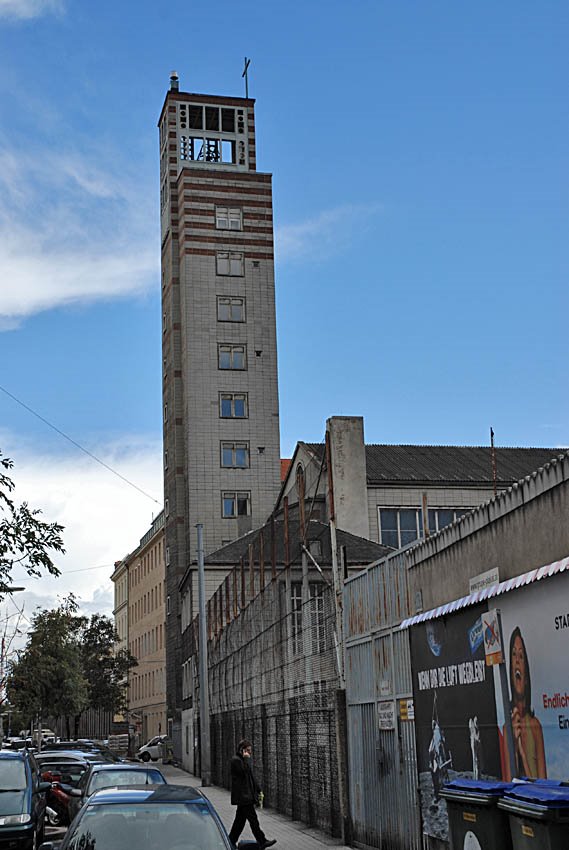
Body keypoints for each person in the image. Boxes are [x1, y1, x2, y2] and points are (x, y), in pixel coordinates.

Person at [501, 626, 546, 780]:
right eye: (514, 655)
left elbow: (543, 786)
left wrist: (522, 753)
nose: (517, 661)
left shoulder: (535, 726)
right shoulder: (508, 728)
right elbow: (508, 783)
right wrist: (513, 746)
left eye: (521, 656)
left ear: (526, 678)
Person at [228, 739, 276, 850]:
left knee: (239, 822)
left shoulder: (243, 761)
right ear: (242, 750)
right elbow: (243, 772)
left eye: (250, 750)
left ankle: (231, 840)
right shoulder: (236, 761)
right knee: (253, 820)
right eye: (248, 750)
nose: (250, 753)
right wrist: (245, 759)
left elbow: (251, 777)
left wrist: (259, 790)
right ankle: (262, 841)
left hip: (246, 796)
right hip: (243, 797)